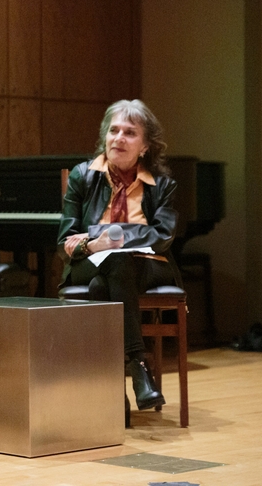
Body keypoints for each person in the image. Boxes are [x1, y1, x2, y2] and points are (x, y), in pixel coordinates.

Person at [57, 99, 180, 412]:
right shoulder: (82, 177)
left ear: (145, 146)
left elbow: (162, 236)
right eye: (113, 131)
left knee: (105, 281)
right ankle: (139, 365)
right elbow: (64, 243)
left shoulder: (163, 185)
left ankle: (114, 394)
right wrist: (92, 246)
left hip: (147, 266)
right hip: (89, 263)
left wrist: (106, 236)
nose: (118, 138)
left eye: (129, 132)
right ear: (104, 138)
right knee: (114, 262)